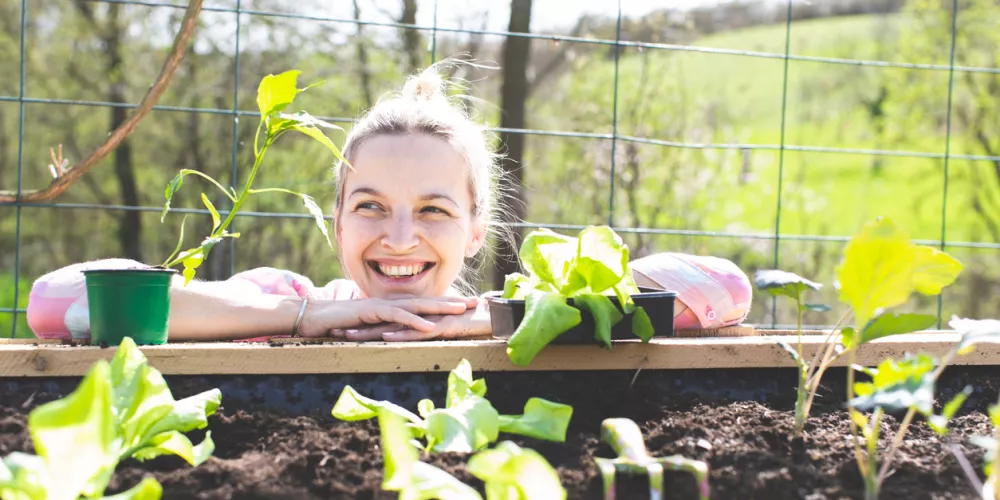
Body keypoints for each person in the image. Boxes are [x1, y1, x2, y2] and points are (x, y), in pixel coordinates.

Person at [26, 63, 753, 343]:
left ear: (476, 230)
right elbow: (58, 305)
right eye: (371, 206)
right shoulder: (285, 299)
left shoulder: (509, 313)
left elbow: (724, 289)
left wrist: (489, 320)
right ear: (337, 218)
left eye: (434, 210)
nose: (399, 238)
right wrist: (307, 318)